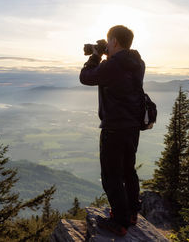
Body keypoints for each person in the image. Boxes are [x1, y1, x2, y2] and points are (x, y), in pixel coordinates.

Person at [79, 25, 145, 236]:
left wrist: (95, 56)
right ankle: (133, 212)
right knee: (128, 169)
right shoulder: (137, 62)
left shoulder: (113, 66)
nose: (106, 45)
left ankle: (120, 222)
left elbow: (86, 77)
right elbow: (120, 65)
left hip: (114, 127)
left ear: (114, 41)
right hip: (132, 127)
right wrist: (105, 51)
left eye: (109, 42)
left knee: (111, 175)